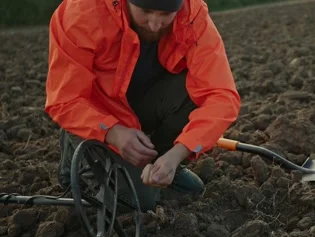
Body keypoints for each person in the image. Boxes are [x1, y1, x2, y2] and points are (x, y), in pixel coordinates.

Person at [44, 0, 241, 212]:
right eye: (146, 11)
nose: (155, 24)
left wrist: (177, 154)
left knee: (194, 93)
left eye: (166, 14)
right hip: (98, 114)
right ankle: (78, 155)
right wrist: (113, 133)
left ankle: (157, 161)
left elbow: (221, 95)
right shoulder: (81, 14)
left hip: (143, 102)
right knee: (136, 203)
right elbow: (65, 100)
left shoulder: (192, 14)